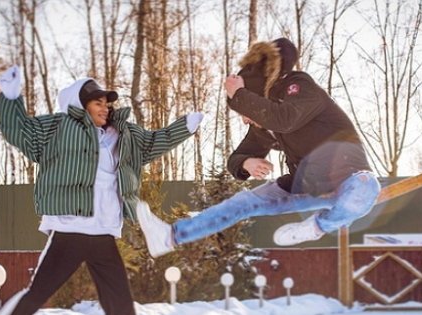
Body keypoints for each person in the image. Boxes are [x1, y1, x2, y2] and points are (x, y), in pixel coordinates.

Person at [0, 65, 203, 315]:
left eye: (107, 103)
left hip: (104, 233)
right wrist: (10, 98)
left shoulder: (125, 136)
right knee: (38, 295)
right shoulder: (59, 128)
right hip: (70, 228)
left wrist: (185, 127)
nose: (105, 107)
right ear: (79, 104)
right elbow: (19, 132)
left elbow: (154, 143)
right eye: (97, 102)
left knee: (121, 307)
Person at [137, 38, 379, 257]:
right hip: (304, 185)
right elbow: (237, 157)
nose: (245, 119)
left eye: (245, 112)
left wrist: (240, 94)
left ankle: (317, 226)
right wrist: (245, 162)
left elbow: (284, 119)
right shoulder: (265, 127)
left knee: (367, 187)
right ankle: (170, 237)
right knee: (243, 202)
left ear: (258, 98)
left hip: (348, 177)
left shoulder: (300, 88)